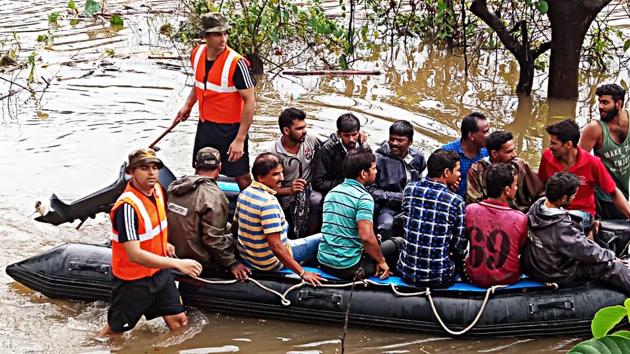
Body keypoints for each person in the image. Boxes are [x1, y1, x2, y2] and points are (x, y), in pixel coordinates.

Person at [100, 149, 203, 335]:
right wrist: (178, 264)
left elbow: (154, 227)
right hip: (133, 282)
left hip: (159, 273)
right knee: (114, 333)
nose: (151, 173)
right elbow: (134, 254)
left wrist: (165, 244)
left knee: (179, 321)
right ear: (131, 172)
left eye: (155, 168)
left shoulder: (156, 190)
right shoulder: (127, 207)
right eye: (144, 168)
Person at [173, 13, 256, 191]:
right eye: (218, 34)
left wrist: (239, 139)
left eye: (225, 33)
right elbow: (200, 84)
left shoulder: (237, 63)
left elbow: (250, 102)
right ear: (206, 36)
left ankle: (250, 206)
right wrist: (188, 105)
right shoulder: (197, 54)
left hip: (231, 130)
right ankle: (201, 202)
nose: (223, 39)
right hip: (206, 125)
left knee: (240, 174)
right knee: (201, 169)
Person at [522, 172, 630, 294]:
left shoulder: (537, 206)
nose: (575, 198)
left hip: (536, 264)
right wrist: (612, 257)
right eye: (574, 195)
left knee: (582, 218)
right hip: (555, 272)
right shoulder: (561, 228)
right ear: (564, 198)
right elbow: (588, 251)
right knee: (612, 266)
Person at [233, 153, 324, 285]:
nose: (281, 178)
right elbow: (276, 246)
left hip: (249, 258)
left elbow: (235, 227)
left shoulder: (244, 193)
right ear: (260, 177)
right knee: (323, 237)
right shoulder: (268, 203)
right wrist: (303, 273)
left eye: (281, 173)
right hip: (269, 262)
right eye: (275, 174)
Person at [166, 147, 251, 281]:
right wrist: (232, 263)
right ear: (220, 167)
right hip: (200, 259)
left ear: (195, 165)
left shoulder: (175, 186)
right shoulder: (215, 196)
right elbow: (213, 239)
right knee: (245, 237)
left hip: (175, 252)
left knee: (228, 226)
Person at [318, 150, 403, 280]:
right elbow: (366, 237)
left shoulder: (332, 193)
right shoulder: (364, 198)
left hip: (323, 262)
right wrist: (381, 261)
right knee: (398, 243)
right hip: (348, 267)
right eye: (374, 169)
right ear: (363, 173)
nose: (376, 172)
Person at [538, 119, 630, 232]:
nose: (550, 146)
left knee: (565, 223)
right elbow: (541, 184)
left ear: (568, 145)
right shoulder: (547, 156)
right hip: (554, 210)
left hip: (582, 214)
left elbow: (613, 192)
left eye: (554, 143)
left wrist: (629, 214)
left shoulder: (593, 163)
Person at [397, 149, 467, 287]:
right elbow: (460, 245)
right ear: (446, 172)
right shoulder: (456, 201)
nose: (460, 175)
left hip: (406, 271)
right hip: (439, 277)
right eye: (457, 170)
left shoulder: (409, 189)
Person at [465, 163, 528, 287]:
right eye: (515, 185)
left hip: (474, 277)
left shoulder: (470, 210)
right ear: (507, 190)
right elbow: (521, 248)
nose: (516, 188)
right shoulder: (520, 218)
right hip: (508, 279)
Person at [268, 108, 323, 238]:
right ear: (286, 131)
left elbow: (329, 147)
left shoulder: (311, 140)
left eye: (304, 127)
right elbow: (268, 189)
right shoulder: (273, 154)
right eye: (299, 129)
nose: (304, 131)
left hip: (310, 190)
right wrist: (290, 190)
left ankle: (310, 240)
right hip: (286, 194)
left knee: (317, 200)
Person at [368, 120, 426, 240]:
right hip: (387, 206)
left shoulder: (418, 157)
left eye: (400, 140)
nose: (394, 143)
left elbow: (420, 180)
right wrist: (399, 197)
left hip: (412, 204)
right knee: (386, 226)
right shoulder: (378, 159)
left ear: (410, 142)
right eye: (392, 139)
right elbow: (369, 190)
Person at [579, 84, 630, 219]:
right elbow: (577, 163)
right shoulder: (595, 129)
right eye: (599, 102)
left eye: (605, 102)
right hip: (604, 197)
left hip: (624, 192)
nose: (600, 107)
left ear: (619, 104)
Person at [466, 131, 543, 212]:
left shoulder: (520, 165)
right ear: (494, 153)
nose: (514, 154)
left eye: (514, 149)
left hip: (521, 214)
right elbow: (473, 202)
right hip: (490, 215)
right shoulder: (476, 171)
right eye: (509, 152)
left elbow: (539, 193)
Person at [312, 113, 370, 196]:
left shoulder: (363, 147)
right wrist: (347, 183)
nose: (351, 139)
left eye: (354, 135)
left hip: (357, 189)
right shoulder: (327, 149)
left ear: (359, 133)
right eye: (346, 136)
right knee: (315, 199)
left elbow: (370, 174)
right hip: (332, 191)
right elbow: (318, 183)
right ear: (339, 134)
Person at [441, 112, 490, 199]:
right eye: (485, 132)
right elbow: (433, 182)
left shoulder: (488, 152)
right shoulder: (446, 153)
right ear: (471, 135)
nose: (489, 135)